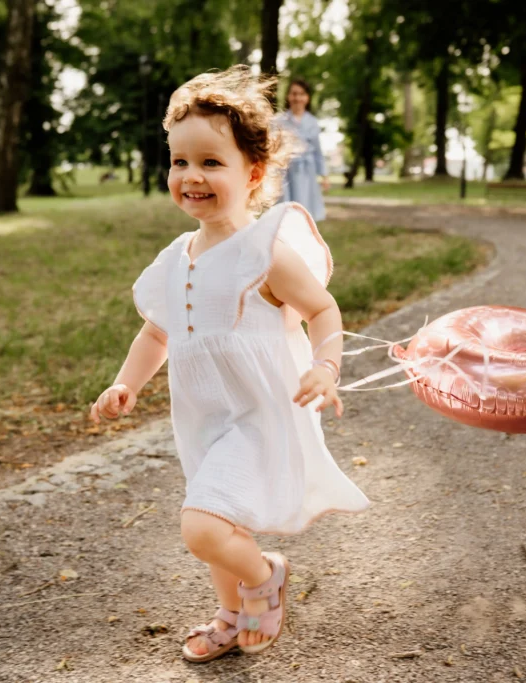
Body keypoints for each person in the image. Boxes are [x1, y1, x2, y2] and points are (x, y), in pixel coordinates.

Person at [89, 66, 369, 663]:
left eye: (211, 163)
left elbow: (323, 309)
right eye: (180, 162)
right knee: (216, 525)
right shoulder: (174, 259)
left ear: (254, 173)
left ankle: (265, 577)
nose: (191, 176)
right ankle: (230, 614)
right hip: (204, 421)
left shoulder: (263, 252)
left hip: (257, 415)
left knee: (202, 526)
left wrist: (326, 366)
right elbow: (156, 331)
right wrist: (125, 382)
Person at [276, 78, 331, 221]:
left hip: (307, 172)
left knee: (305, 209)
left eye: (301, 94)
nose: (297, 98)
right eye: (294, 94)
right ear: (288, 96)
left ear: (307, 98)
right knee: (286, 212)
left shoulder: (312, 122)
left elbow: (317, 151)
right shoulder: (279, 121)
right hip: (286, 173)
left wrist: (324, 175)